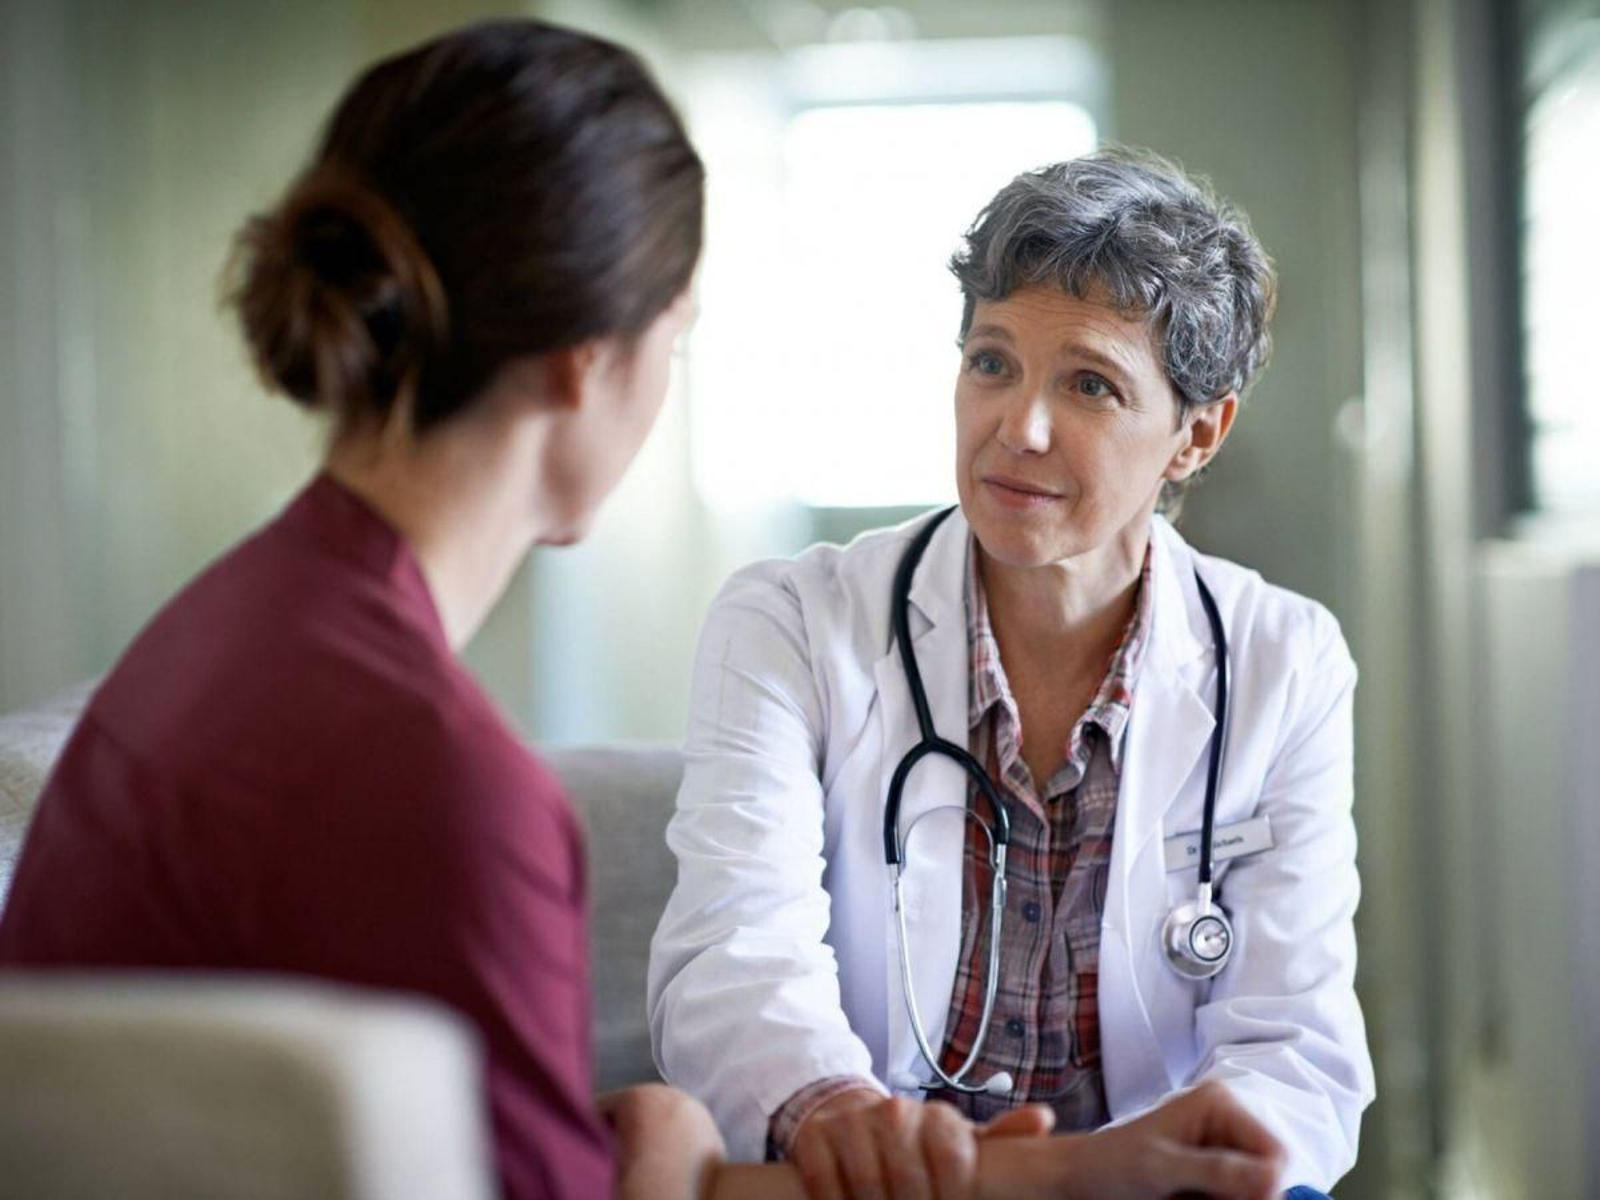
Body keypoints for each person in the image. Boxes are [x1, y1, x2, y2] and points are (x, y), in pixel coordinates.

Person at [0, 24, 1289, 1200]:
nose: (1021, 424)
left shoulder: (227, 632)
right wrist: (674, 1159)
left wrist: (659, 1150)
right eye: (674, 342)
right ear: (587, 365)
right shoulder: (442, 790)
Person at [648, 149, 1375, 1199]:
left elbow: (1291, 1044)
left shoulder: (1283, 661)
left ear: (1194, 435)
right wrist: (837, 1114)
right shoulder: (791, 625)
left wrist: (1222, 1166)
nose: (1017, 428)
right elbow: (731, 959)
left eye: (1089, 384)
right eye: (991, 362)